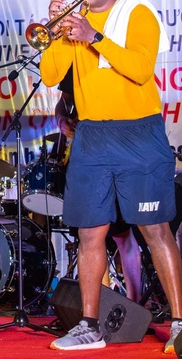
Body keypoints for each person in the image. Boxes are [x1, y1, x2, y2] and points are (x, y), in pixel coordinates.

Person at [39, 0, 182, 352]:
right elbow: (51, 76)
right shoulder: (72, 26)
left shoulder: (135, 10)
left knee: (154, 230)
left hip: (138, 133)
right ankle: (89, 326)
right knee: (90, 232)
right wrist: (55, 33)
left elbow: (140, 68)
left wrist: (94, 37)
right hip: (91, 136)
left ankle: (178, 323)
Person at [54, 78, 142, 303]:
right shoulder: (73, 64)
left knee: (123, 234)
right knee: (91, 234)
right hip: (81, 155)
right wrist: (62, 120)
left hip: (116, 150)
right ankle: (101, 306)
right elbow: (63, 102)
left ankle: (136, 303)